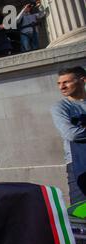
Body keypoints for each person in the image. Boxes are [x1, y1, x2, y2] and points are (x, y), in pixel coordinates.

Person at [51, 67, 86, 206]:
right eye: (59, 83)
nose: (62, 87)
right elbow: (71, 134)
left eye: (66, 82)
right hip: (78, 165)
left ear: (82, 80)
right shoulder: (61, 107)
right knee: (81, 211)